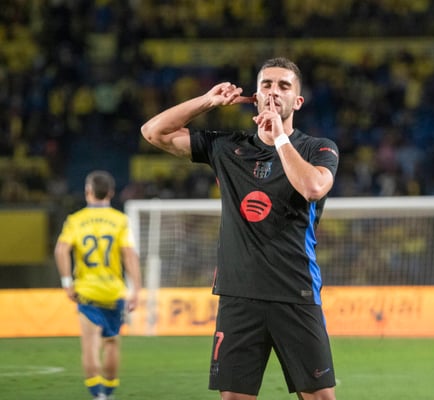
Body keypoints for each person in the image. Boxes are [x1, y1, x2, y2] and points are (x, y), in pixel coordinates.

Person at [141, 57, 339, 400]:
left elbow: (312, 188)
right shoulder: (227, 147)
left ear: (297, 101)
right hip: (238, 294)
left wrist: (280, 138)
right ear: (255, 95)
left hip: (295, 291)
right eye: (266, 85)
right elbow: (153, 132)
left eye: (283, 86)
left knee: (320, 397)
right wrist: (207, 101)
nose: (273, 92)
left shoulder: (317, 148)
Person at [54, 170, 142, 400]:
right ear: (111, 193)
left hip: (87, 290)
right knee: (112, 342)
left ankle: (98, 395)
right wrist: (136, 289)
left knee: (91, 345)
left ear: (88, 191)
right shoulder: (120, 220)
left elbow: (61, 250)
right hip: (114, 291)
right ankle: (109, 392)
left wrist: (67, 282)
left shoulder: (75, 220)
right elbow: (129, 255)